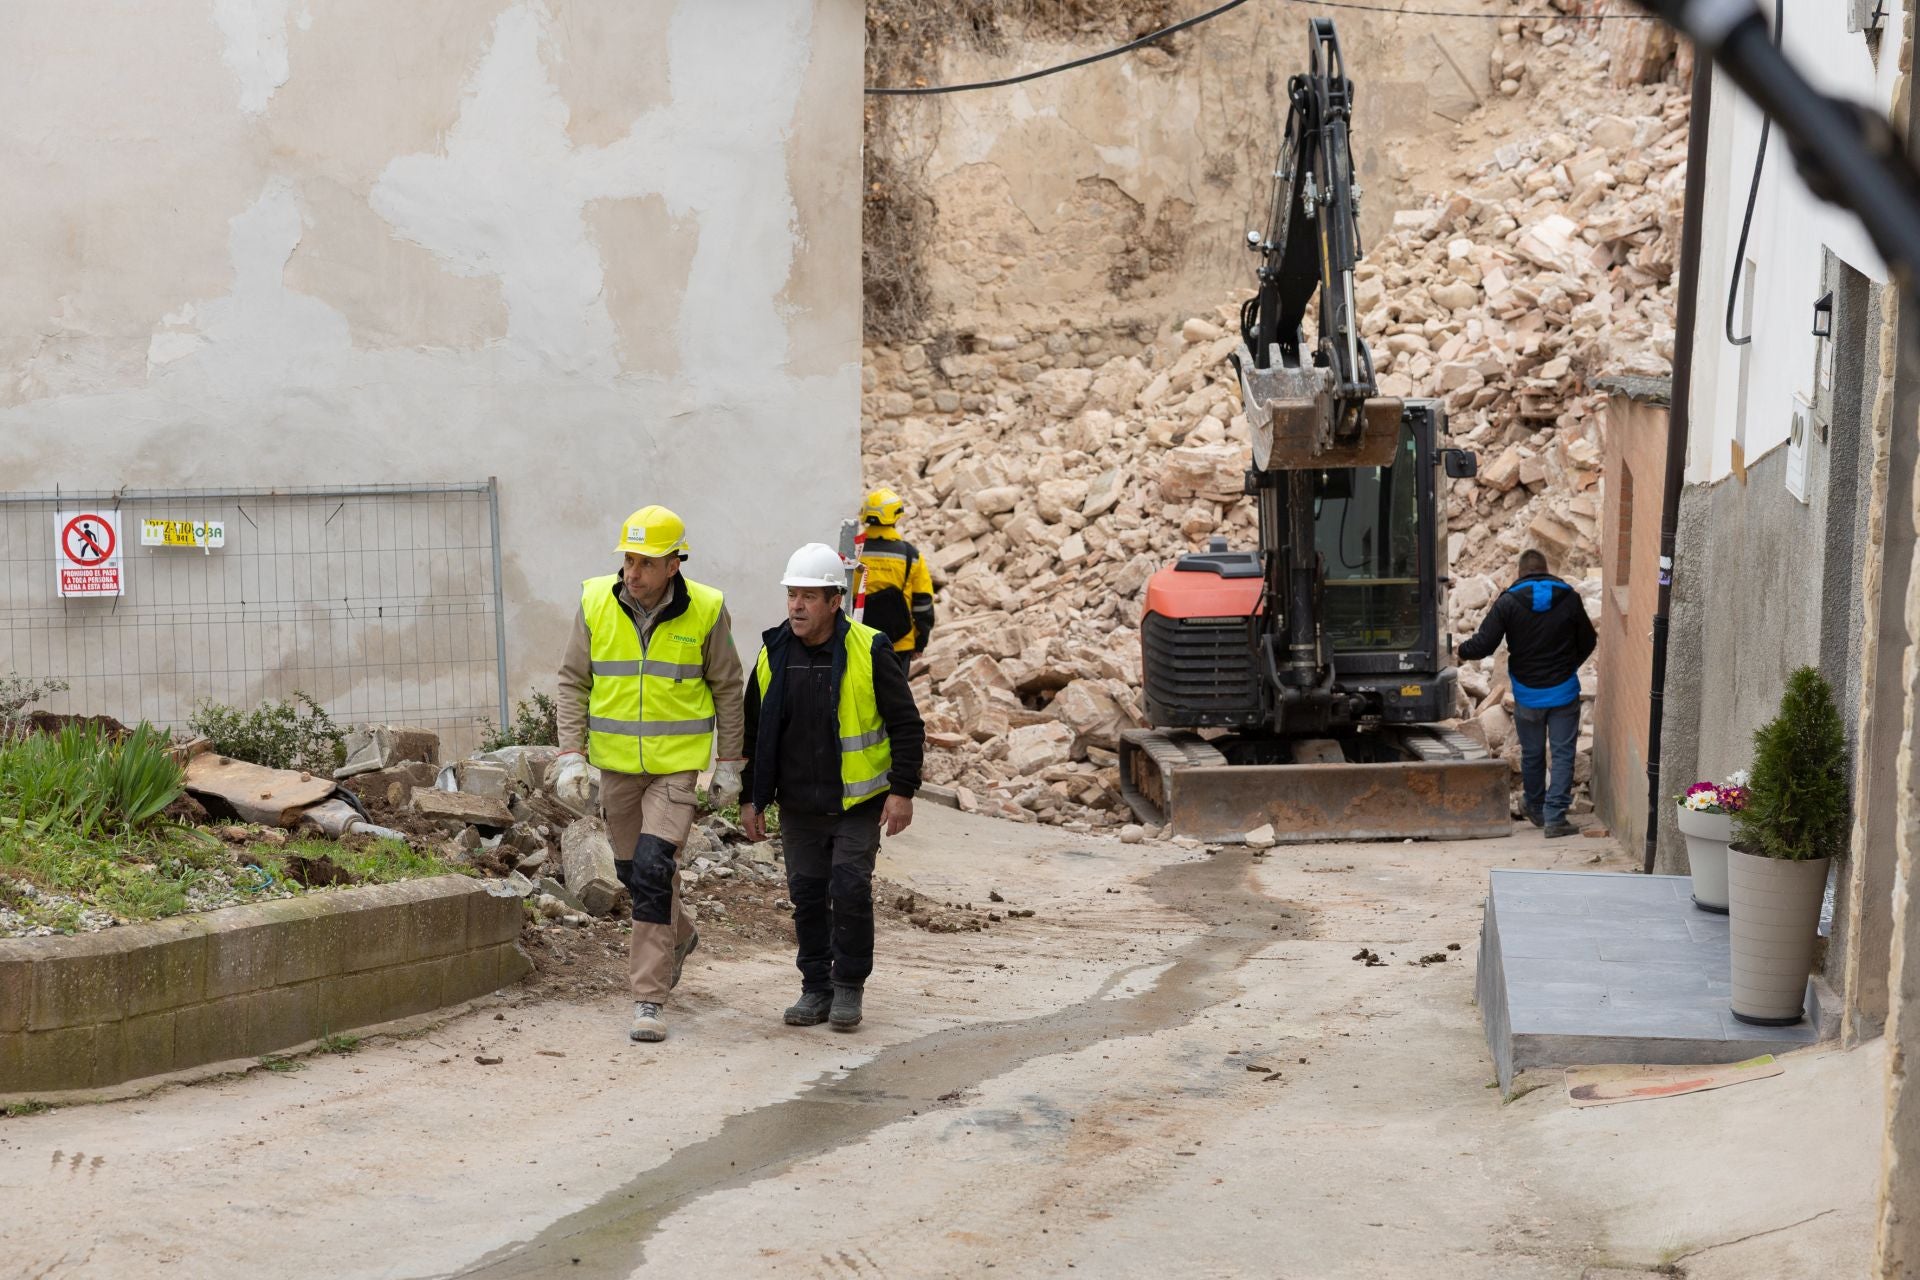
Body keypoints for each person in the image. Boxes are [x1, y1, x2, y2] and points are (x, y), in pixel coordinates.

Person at [552, 505, 745, 1043]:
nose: (631, 573)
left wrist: (729, 764)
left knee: (657, 867)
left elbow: (729, 687)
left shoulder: (706, 610)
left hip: (675, 770)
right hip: (616, 767)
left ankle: (648, 999)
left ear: (674, 565)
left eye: (645, 563)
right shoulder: (595, 601)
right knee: (636, 873)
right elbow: (572, 681)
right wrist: (571, 754)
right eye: (628, 560)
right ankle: (679, 935)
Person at [741, 543, 925, 1033]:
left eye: (808, 596)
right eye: (791, 595)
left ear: (833, 601)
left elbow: (907, 725)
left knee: (848, 889)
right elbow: (753, 734)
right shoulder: (772, 653)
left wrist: (902, 790)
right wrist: (751, 797)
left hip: (857, 803)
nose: (796, 606)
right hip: (799, 805)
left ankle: (848, 987)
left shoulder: (870, 649)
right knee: (806, 894)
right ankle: (815, 988)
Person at [1457, 547, 1597, 838]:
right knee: (1562, 755)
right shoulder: (1569, 598)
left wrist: (1458, 650)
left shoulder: (1508, 602)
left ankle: (1534, 805)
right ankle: (1555, 817)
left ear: (1521, 572)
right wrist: (1569, 666)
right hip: (1563, 692)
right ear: (1545, 570)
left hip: (1528, 694)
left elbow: (1483, 644)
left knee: (1532, 754)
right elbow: (1588, 639)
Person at [852, 486, 936, 676]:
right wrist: (920, 641)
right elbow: (923, 603)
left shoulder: (853, 551)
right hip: (899, 643)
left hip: (858, 640)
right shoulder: (910, 555)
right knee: (894, 701)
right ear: (896, 517)